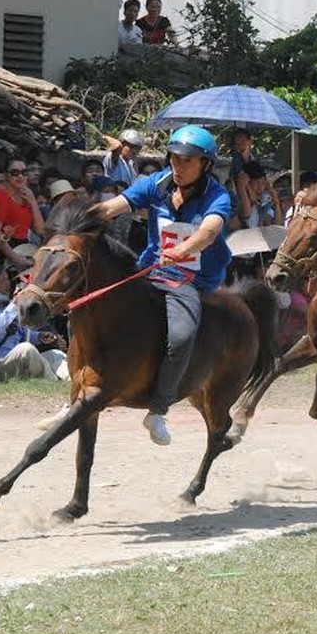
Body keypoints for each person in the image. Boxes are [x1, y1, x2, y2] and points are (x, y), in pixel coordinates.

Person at [96, 125, 232, 446]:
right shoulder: (155, 185)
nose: (178, 165)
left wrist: (183, 251)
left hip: (190, 279)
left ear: (206, 165)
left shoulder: (219, 196)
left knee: (182, 336)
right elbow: (114, 206)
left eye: (188, 160)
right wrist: (82, 218)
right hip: (150, 272)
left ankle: (158, 409)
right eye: (174, 158)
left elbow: (209, 232)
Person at [0, 262, 68, 382]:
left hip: (14, 363)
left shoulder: (6, 306)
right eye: (3, 280)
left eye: (7, 279)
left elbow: (21, 334)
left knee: (55, 354)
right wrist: (14, 304)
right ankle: (52, 382)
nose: (8, 284)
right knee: (26, 349)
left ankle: (73, 382)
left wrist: (40, 336)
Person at [0, 158, 45, 245]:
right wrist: (14, 256)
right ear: (5, 175)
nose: (20, 176)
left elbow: (40, 230)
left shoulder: (27, 193)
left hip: (23, 245)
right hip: (5, 247)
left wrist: (33, 203)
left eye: (24, 172)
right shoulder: (0, 195)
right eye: (15, 172)